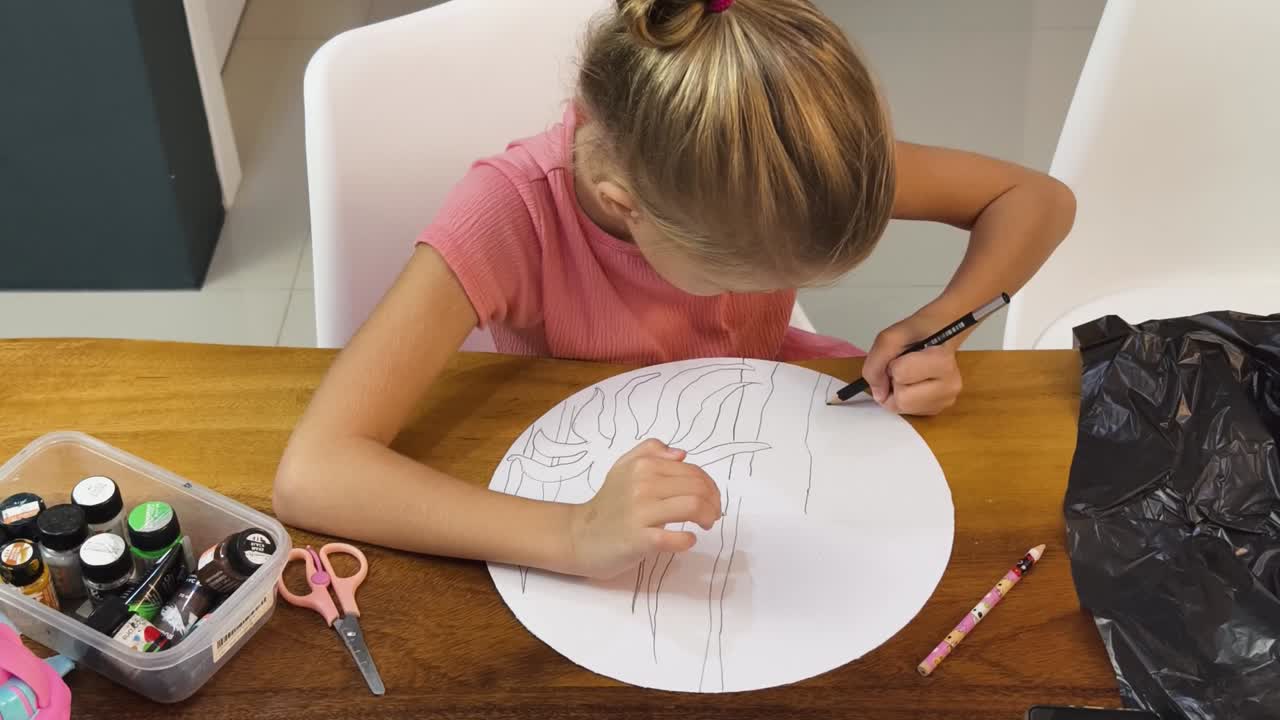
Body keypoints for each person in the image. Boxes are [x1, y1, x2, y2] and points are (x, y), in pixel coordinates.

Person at [273, 0, 1075, 579]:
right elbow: (315, 471)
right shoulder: (510, 216)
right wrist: (575, 535)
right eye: (742, 276)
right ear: (627, 204)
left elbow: (1036, 200)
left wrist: (942, 323)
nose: (778, 291)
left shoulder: (772, 147)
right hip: (593, 474)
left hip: (775, 421)